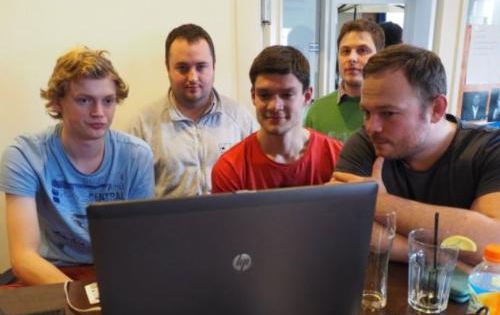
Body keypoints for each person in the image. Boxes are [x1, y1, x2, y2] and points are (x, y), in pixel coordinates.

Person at [332, 44, 500, 265]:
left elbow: (493, 241)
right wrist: (436, 255)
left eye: (388, 113)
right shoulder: (365, 143)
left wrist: (377, 201)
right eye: (367, 112)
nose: (372, 127)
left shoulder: (489, 148)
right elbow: (342, 224)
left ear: (436, 109)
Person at [0, 47, 154, 285]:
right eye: (84, 100)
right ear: (57, 102)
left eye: (108, 101)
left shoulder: (137, 155)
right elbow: (24, 258)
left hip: (114, 270)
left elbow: (138, 243)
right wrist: (80, 295)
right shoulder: (24, 155)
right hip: (50, 271)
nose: (98, 112)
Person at [128, 24, 257, 197]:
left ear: (213, 66)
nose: (193, 77)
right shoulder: (142, 125)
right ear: (167, 67)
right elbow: (132, 195)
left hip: (228, 215)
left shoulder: (241, 119)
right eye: (182, 68)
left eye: (201, 66)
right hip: (168, 216)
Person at [211, 46, 343, 192]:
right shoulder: (230, 169)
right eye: (264, 95)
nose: (274, 106)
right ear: (253, 96)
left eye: (287, 95)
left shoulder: (338, 158)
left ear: (307, 96)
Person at [304, 19, 385, 139]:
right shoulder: (317, 111)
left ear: (379, 56)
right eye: (346, 51)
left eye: (362, 50)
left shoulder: (391, 111)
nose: (352, 58)